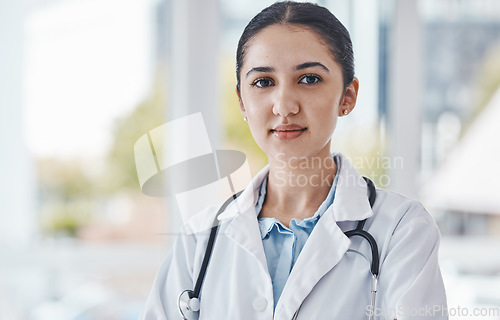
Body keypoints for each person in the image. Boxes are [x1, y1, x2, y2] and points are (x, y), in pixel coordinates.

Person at [140, 1, 448, 319]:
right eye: (263, 82)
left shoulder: (402, 229)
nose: (284, 106)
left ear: (348, 96)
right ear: (242, 103)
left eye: (309, 79)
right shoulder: (199, 240)